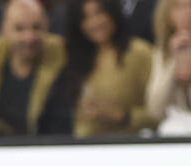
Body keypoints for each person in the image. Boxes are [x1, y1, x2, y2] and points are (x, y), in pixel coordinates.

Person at [0, 0, 74, 136]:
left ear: (47, 27)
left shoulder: (65, 60)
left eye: (36, 28)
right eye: (19, 29)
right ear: (4, 30)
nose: (29, 37)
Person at [67, 0, 155, 136]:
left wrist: (125, 116)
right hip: (84, 147)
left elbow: (161, 112)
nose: (94, 22)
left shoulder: (139, 53)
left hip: (131, 144)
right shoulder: (75, 58)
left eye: (99, 13)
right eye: (85, 17)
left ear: (112, 12)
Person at [145, 0, 191, 133]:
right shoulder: (163, 51)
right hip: (177, 133)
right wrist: (173, 64)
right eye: (179, 7)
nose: (187, 13)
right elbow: (155, 110)